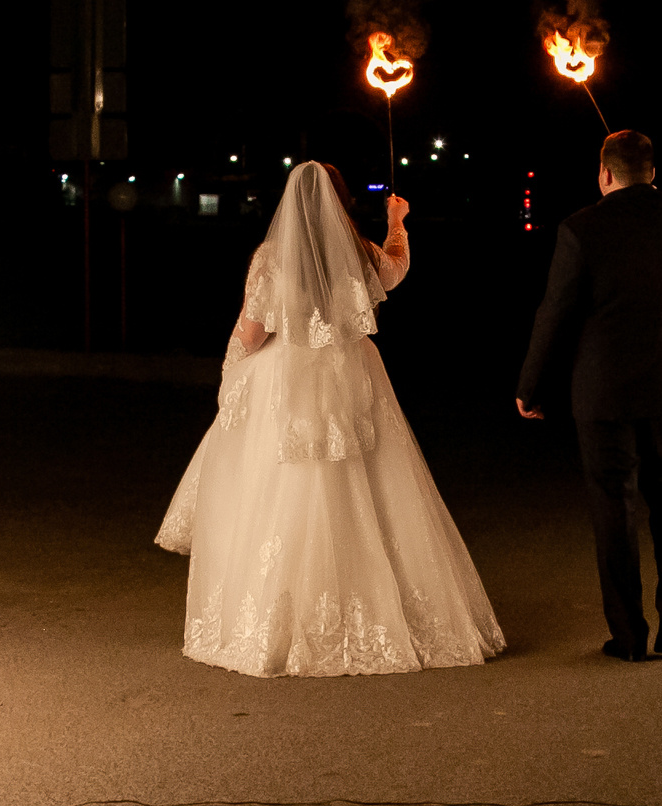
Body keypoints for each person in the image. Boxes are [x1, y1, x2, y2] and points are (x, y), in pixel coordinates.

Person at [155, 161, 505, 677]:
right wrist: (397, 220)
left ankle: (279, 618)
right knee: (367, 483)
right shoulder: (359, 250)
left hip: (287, 379)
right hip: (351, 373)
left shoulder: (271, 257)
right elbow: (396, 269)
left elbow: (252, 332)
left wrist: (234, 364)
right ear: (340, 202)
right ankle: (372, 606)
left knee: (279, 487)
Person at [515, 129, 662, 662]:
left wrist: (531, 385)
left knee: (614, 502)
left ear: (604, 173)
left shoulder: (580, 229)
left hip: (604, 389)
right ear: (652, 170)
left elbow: (555, 312)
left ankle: (629, 635)